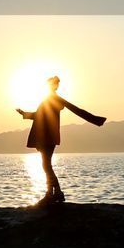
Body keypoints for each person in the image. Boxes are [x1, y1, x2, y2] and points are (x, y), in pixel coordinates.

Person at [15, 75, 106, 206]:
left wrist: (25, 114)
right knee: (46, 165)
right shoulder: (50, 99)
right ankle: (53, 193)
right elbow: (39, 115)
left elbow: (43, 115)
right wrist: (24, 113)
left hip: (47, 136)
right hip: (46, 136)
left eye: (52, 84)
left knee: (46, 165)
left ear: (54, 86)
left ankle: (54, 193)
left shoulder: (53, 99)